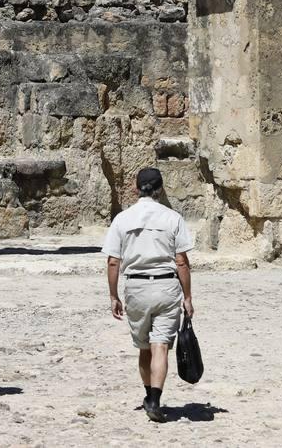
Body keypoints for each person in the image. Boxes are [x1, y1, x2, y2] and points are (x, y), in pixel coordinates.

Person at [102, 167, 194, 424]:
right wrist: (187, 297)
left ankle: (147, 395)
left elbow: (112, 262)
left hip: (136, 288)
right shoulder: (173, 218)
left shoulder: (122, 219)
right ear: (160, 189)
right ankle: (155, 399)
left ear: (135, 187)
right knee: (161, 345)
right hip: (166, 288)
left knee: (144, 348)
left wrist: (113, 295)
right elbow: (182, 262)